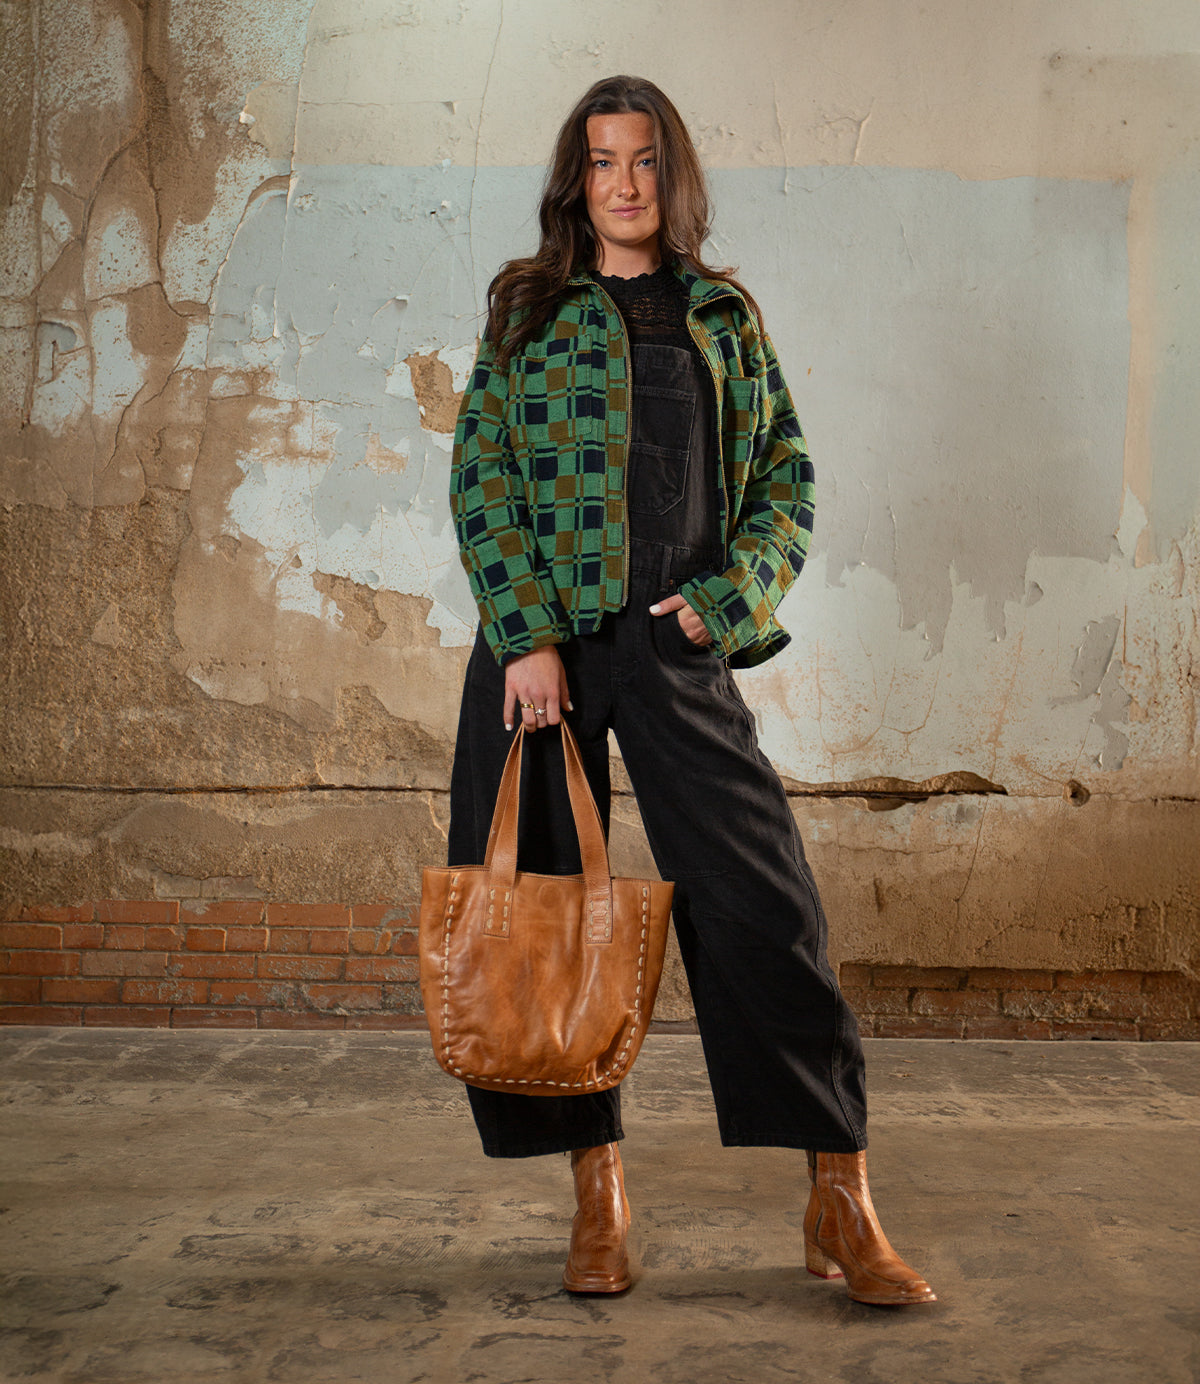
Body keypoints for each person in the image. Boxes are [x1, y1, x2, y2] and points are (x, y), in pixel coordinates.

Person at [447, 74, 935, 1307]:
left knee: (763, 901)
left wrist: (724, 605)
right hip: (541, 656)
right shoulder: (530, 312)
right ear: (577, 180)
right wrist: (526, 636)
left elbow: (786, 481)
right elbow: (483, 475)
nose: (623, 183)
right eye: (603, 162)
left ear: (673, 177)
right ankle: (597, 1189)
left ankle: (841, 1189)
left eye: (645, 161)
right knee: (547, 927)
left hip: (673, 643)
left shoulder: (721, 316)